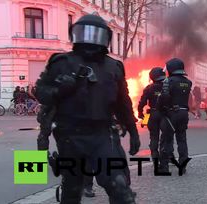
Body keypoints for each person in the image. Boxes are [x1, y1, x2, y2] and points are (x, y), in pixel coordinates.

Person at [35, 14, 139, 204]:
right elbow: (41, 92)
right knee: (72, 190)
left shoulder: (113, 67)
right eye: (85, 32)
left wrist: (133, 130)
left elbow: (123, 103)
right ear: (75, 34)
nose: (90, 38)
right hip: (70, 136)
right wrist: (60, 89)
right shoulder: (61, 63)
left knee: (119, 187)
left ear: (105, 37)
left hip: (102, 136)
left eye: (96, 34)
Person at [158, 58, 192, 174]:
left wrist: (161, 109)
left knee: (167, 140)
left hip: (171, 113)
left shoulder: (168, 81)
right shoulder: (188, 82)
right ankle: (183, 166)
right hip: (183, 113)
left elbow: (164, 97)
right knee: (182, 139)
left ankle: (164, 166)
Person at [138, 67, 166, 162]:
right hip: (165, 114)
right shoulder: (168, 87)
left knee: (154, 136)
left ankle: (155, 155)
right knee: (166, 136)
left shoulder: (148, 88)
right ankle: (166, 155)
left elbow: (142, 102)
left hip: (153, 114)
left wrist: (140, 113)